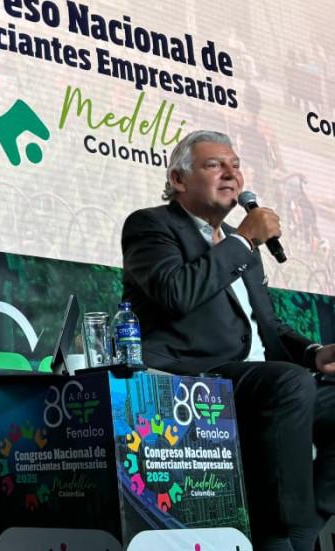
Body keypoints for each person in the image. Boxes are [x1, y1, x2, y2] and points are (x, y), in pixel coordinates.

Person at [121, 129, 335, 551]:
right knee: (290, 384)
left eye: (235, 165)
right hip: (197, 377)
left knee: (310, 387)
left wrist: (313, 353)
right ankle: (283, 536)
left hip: (264, 379)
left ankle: (305, 525)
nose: (231, 174)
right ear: (179, 179)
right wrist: (243, 240)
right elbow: (175, 292)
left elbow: (266, 323)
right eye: (214, 164)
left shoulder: (240, 245)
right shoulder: (151, 226)